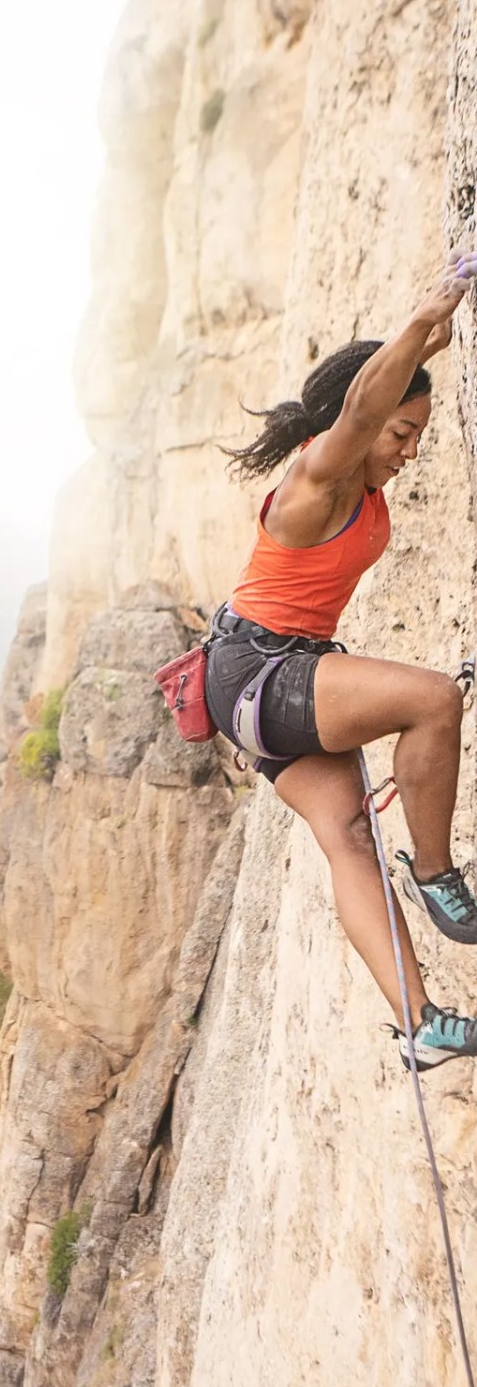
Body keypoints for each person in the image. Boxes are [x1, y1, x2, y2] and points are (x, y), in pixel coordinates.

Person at [206, 251, 477, 1069]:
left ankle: (422, 1024)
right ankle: (436, 874)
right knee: (433, 702)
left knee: (350, 840)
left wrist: (429, 348)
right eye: (404, 432)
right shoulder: (318, 479)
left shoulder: (356, 482)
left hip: (255, 684)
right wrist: (425, 317)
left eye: (419, 436)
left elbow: (376, 399)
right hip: (263, 670)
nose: (410, 450)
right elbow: (363, 405)